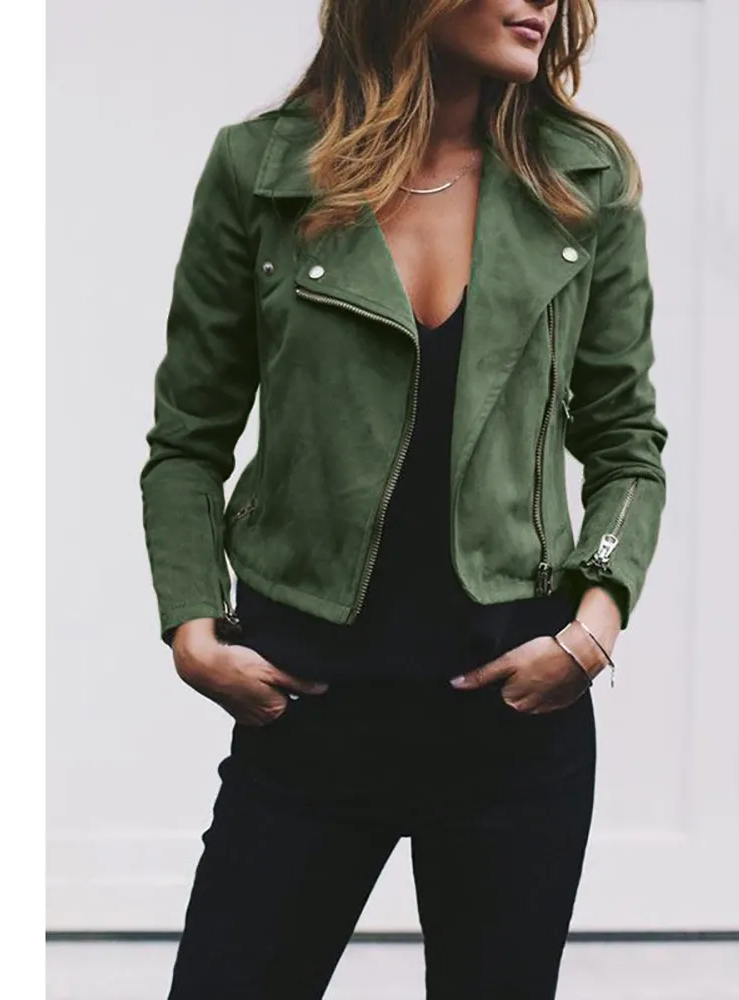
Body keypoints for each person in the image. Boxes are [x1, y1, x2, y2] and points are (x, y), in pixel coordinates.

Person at [140, 1, 668, 996]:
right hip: (308, 713)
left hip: (517, 720)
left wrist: (591, 631)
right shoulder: (262, 171)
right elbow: (187, 442)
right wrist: (191, 628)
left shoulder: (582, 181)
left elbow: (625, 444)